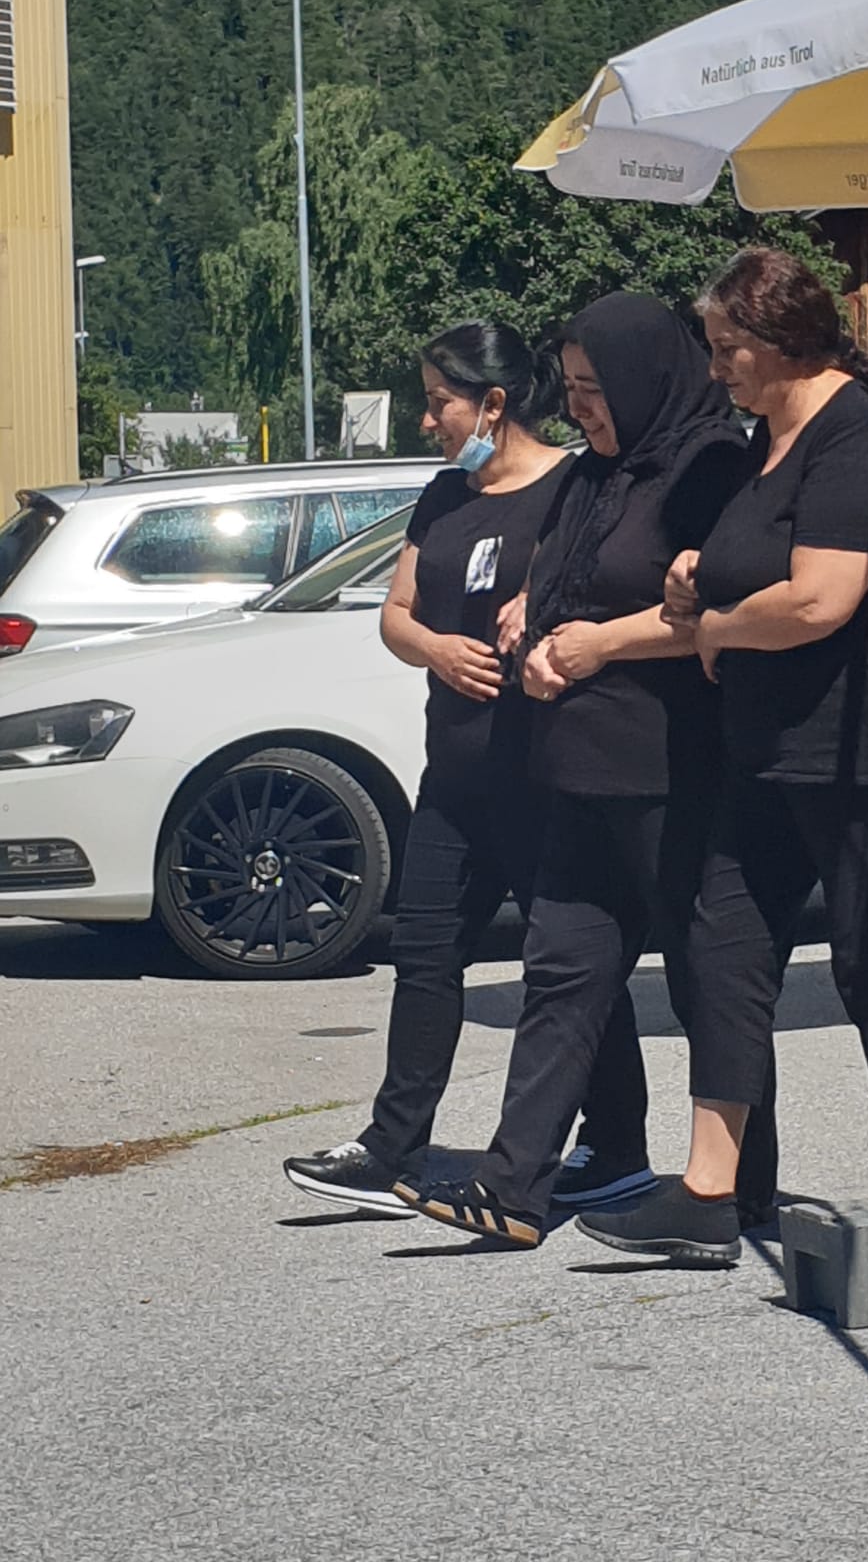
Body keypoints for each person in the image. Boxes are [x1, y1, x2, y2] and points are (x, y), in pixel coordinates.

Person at [576, 247, 868, 1265]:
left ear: (782, 340)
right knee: (722, 949)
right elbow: (750, 566)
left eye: (727, 349)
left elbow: (820, 598)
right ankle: (709, 1192)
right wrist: (695, 579)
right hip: (770, 746)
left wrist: (714, 627)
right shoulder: (766, 436)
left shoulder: (861, 427)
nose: (716, 369)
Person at [393, 291, 778, 1247]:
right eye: (568, 388)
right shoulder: (594, 475)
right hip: (575, 766)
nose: (579, 409)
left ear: (643, 379)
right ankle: (512, 1188)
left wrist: (597, 644)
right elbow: (555, 579)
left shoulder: (709, 465)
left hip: (671, 769)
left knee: (703, 981)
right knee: (560, 970)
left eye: (593, 389)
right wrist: (532, 629)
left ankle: (737, 1189)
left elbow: (718, 611)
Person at [284, 320, 654, 1216]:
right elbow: (397, 612)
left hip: (544, 772)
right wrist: (437, 649)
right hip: (453, 775)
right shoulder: (446, 493)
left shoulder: (573, 485)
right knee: (423, 955)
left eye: (439, 402)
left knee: (567, 966)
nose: (428, 421)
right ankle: (391, 1145)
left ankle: (616, 1145)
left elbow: (600, 586)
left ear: (493, 403)